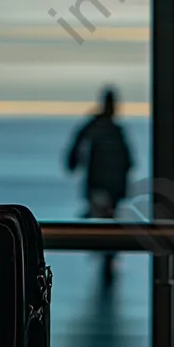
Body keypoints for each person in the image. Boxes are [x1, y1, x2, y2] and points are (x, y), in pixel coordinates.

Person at [66, 87, 134, 286]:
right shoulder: (110, 129)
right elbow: (128, 160)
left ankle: (106, 255)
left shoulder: (99, 127)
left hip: (104, 185)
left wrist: (73, 163)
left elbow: (76, 148)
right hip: (107, 185)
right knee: (108, 220)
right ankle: (107, 256)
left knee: (105, 220)